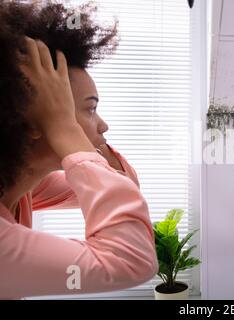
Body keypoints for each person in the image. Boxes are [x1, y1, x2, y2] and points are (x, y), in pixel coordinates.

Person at [0, 1, 158, 299]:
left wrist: (70, 131)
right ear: (35, 118)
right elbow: (131, 259)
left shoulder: (24, 185)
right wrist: (64, 128)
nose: (104, 125)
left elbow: (123, 182)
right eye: (90, 109)